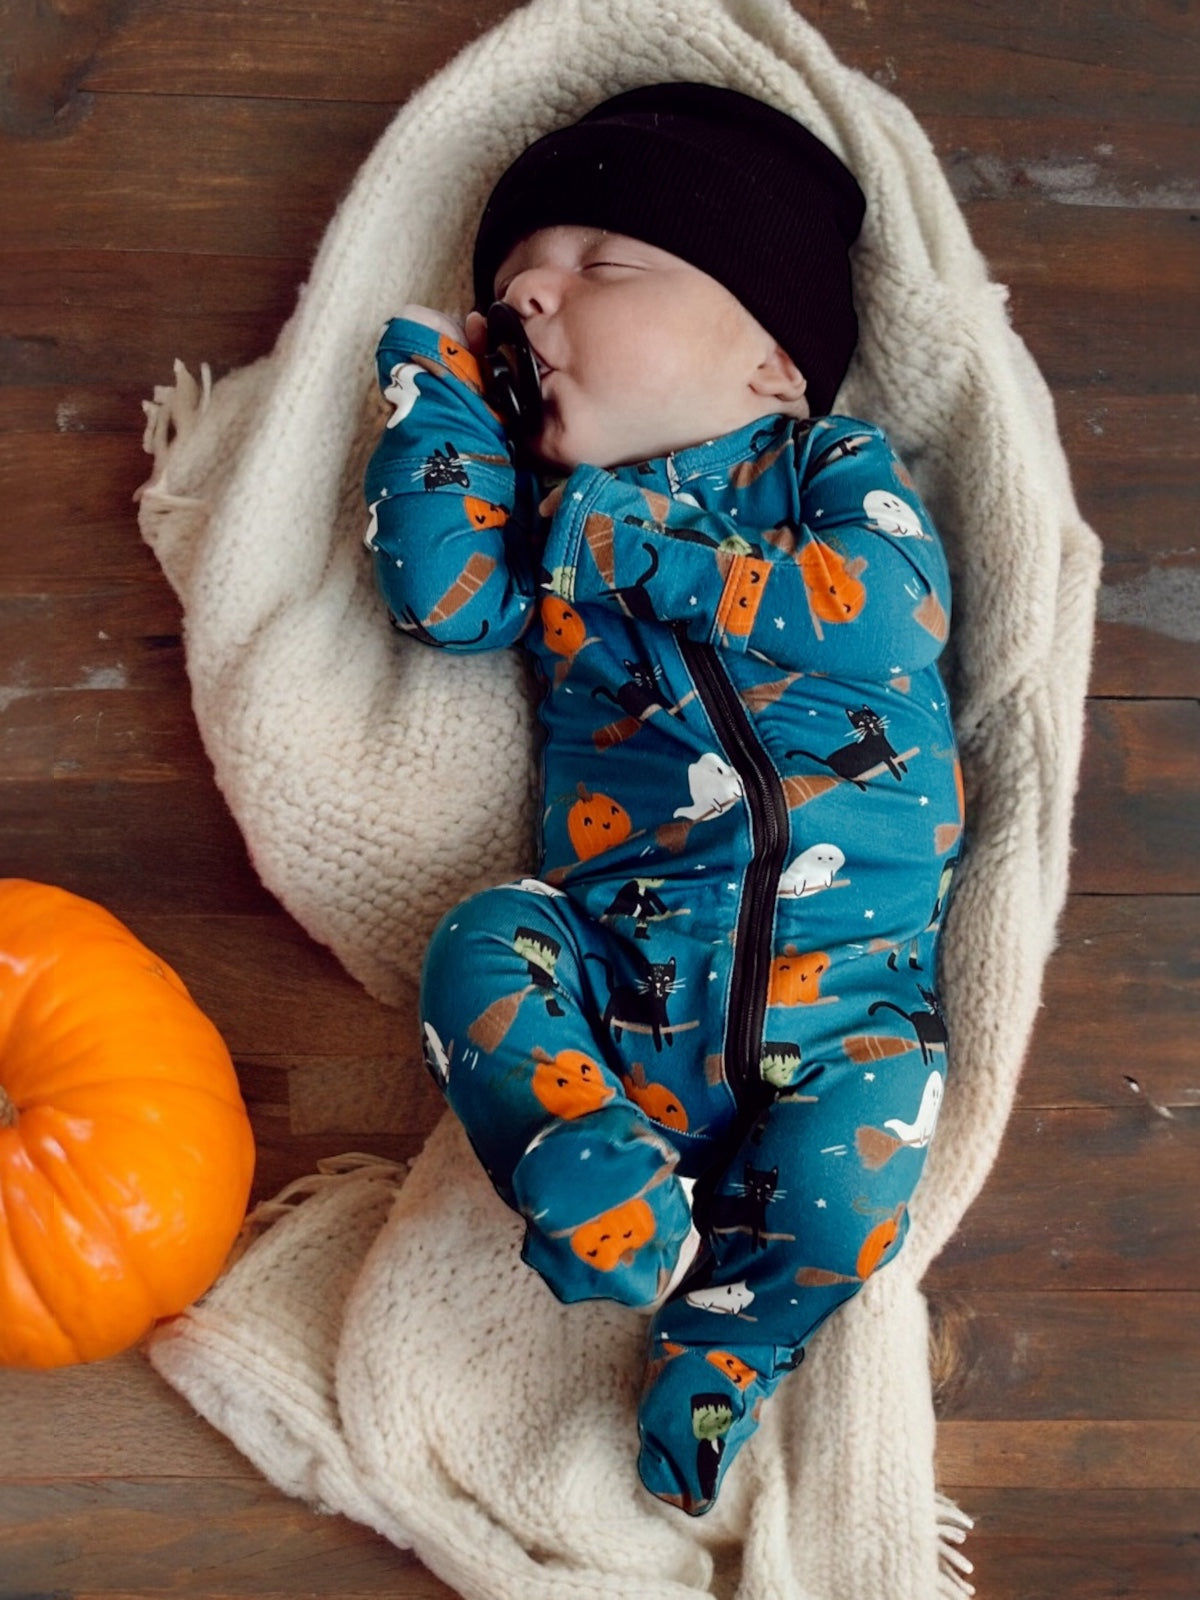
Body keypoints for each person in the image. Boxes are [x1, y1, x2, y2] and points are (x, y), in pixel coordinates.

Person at [363, 82, 963, 1515]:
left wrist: (654, 551)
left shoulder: (827, 468)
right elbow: (442, 600)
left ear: (771, 358)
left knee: (856, 1180)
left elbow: (895, 619)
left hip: (850, 1009)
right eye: (515, 294)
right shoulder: (543, 529)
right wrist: (437, 387)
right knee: (483, 943)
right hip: (619, 966)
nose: (529, 293)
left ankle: (734, 1344)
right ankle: (582, 1154)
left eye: (602, 265)